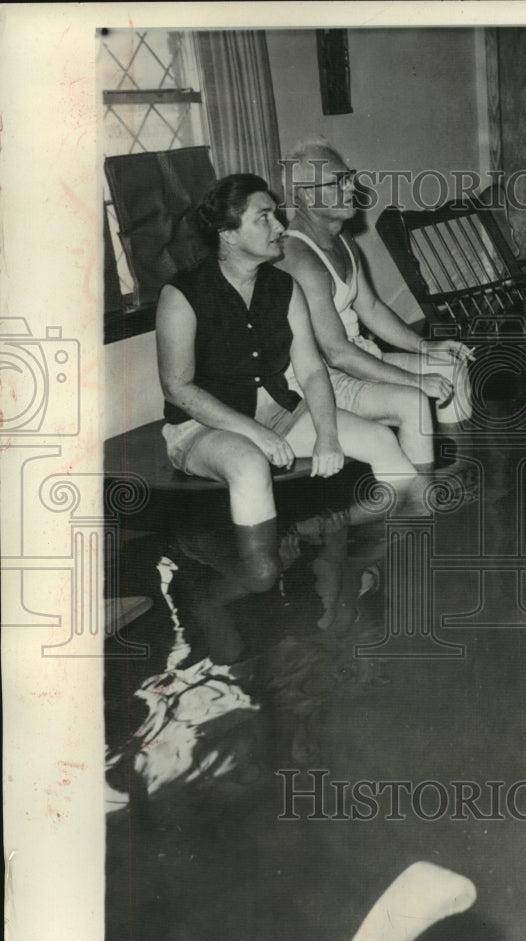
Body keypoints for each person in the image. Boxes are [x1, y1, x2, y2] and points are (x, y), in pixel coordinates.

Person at [156, 173, 420, 659]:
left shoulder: (283, 286)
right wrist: (253, 432)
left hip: (281, 416)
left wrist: (326, 436)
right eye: (265, 217)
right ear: (229, 234)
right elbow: (179, 388)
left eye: (276, 214)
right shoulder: (183, 294)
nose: (279, 225)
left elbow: (313, 371)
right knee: (261, 560)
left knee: (385, 446)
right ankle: (214, 597)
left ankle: (363, 536)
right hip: (203, 428)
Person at [277, 140, 474, 477]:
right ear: (307, 197)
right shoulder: (299, 257)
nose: (352, 186)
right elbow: (336, 353)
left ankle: (463, 469)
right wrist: (414, 379)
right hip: (320, 381)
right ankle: (419, 496)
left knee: (450, 367)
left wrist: (426, 347)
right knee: (412, 398)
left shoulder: (342, 240)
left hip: (356, 359)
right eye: (338, 182)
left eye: (349, 177)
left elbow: (371, 308)